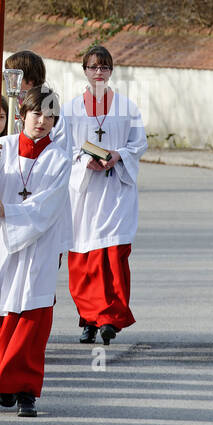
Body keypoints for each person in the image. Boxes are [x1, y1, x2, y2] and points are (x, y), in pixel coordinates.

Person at [0, 84, 71, 418]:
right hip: (1, 245)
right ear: (22, 115)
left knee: (31, 321)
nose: (42, 121)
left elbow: (49, 205)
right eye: (36, 113)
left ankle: (25, 391)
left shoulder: (60, 158)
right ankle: (1, 381)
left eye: (50, 116)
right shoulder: (1, 147)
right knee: (1, 314)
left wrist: (10, 211)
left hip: (38, 245)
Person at [64, 45, 147, 345]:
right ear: (84, 70)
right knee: (85, 259)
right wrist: (84, 161)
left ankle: (109, 318)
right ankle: (88, 318)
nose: (99, 72)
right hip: (84, 193)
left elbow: (139, 144)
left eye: (104, 67)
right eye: (93, 66)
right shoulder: (71, 109)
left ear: (111, 71)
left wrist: (117, 155)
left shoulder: (127, 107)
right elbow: (64, 149)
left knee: (112, 255)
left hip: (115, 191)